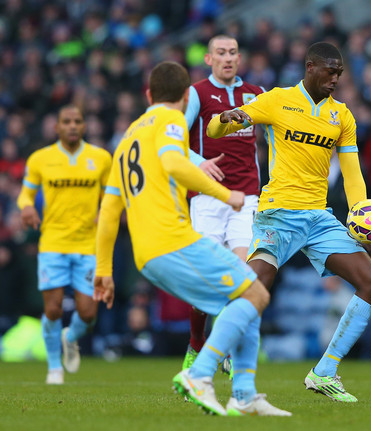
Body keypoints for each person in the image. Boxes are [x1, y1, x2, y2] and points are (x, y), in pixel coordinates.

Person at [92, 61, 290, 417]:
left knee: (250, 293)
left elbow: (108, 210)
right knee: (254, 294)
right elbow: (173, 162)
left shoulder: (128, 137)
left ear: (148, 94)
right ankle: (199, 374)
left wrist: (103, 269)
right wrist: (224, 193)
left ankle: (244, 395)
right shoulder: (169, 120)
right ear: (186, 97)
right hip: (174, 241)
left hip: (147, 254)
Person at [207, 42, 371, 402]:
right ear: (310, 67)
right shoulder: (277, 100)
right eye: (330, 71)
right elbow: (218, 129)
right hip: (279, 212)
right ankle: (222, 349)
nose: (336, 78)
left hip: (319, 218)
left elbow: (353, 178)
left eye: (340, 72)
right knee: (258, 283)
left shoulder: (342, 116)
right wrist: (225, 119)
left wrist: (361, 225)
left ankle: (325, 372)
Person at [181, 34, 265, 371]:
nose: (227, 58)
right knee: (206, 281)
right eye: (221, 53)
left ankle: (225, 349)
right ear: (208, 58)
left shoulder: (255, 95)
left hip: (246, 196)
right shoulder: (198, 94)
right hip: (207, 196)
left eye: (232, 52)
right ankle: (196, 342)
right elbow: (174, 140)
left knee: (241, 276)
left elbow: (270, 144)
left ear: (239, 58)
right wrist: (197, 161)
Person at [16, 105, 112, 385]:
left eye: (77, 121)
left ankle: (69, 337)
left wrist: (105, 211)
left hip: (86, 245)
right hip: (53, 243)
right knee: (54, 309)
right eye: (66, 122)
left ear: (84, 126)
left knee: (88, 313)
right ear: (56, 127)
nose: (72, 126)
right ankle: (54, 367)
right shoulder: (40, 159)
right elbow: (25, 195)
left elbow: (111, 196)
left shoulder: (100, 158)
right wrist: (26, 208)